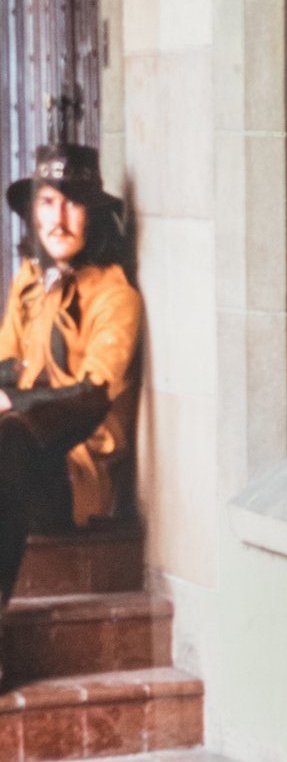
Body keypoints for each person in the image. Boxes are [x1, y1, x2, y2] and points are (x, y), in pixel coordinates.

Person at [0, 136, 142, 618]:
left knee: (9, 441)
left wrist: (13, 406)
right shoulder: (29, 281)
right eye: (47, 202)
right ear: (34, 213)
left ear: (94, 214)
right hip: (14, 452)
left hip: (73, 472)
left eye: (73, 204)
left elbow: (93, 395)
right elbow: (6, 362)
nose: (58, 219)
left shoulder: (115, 297)